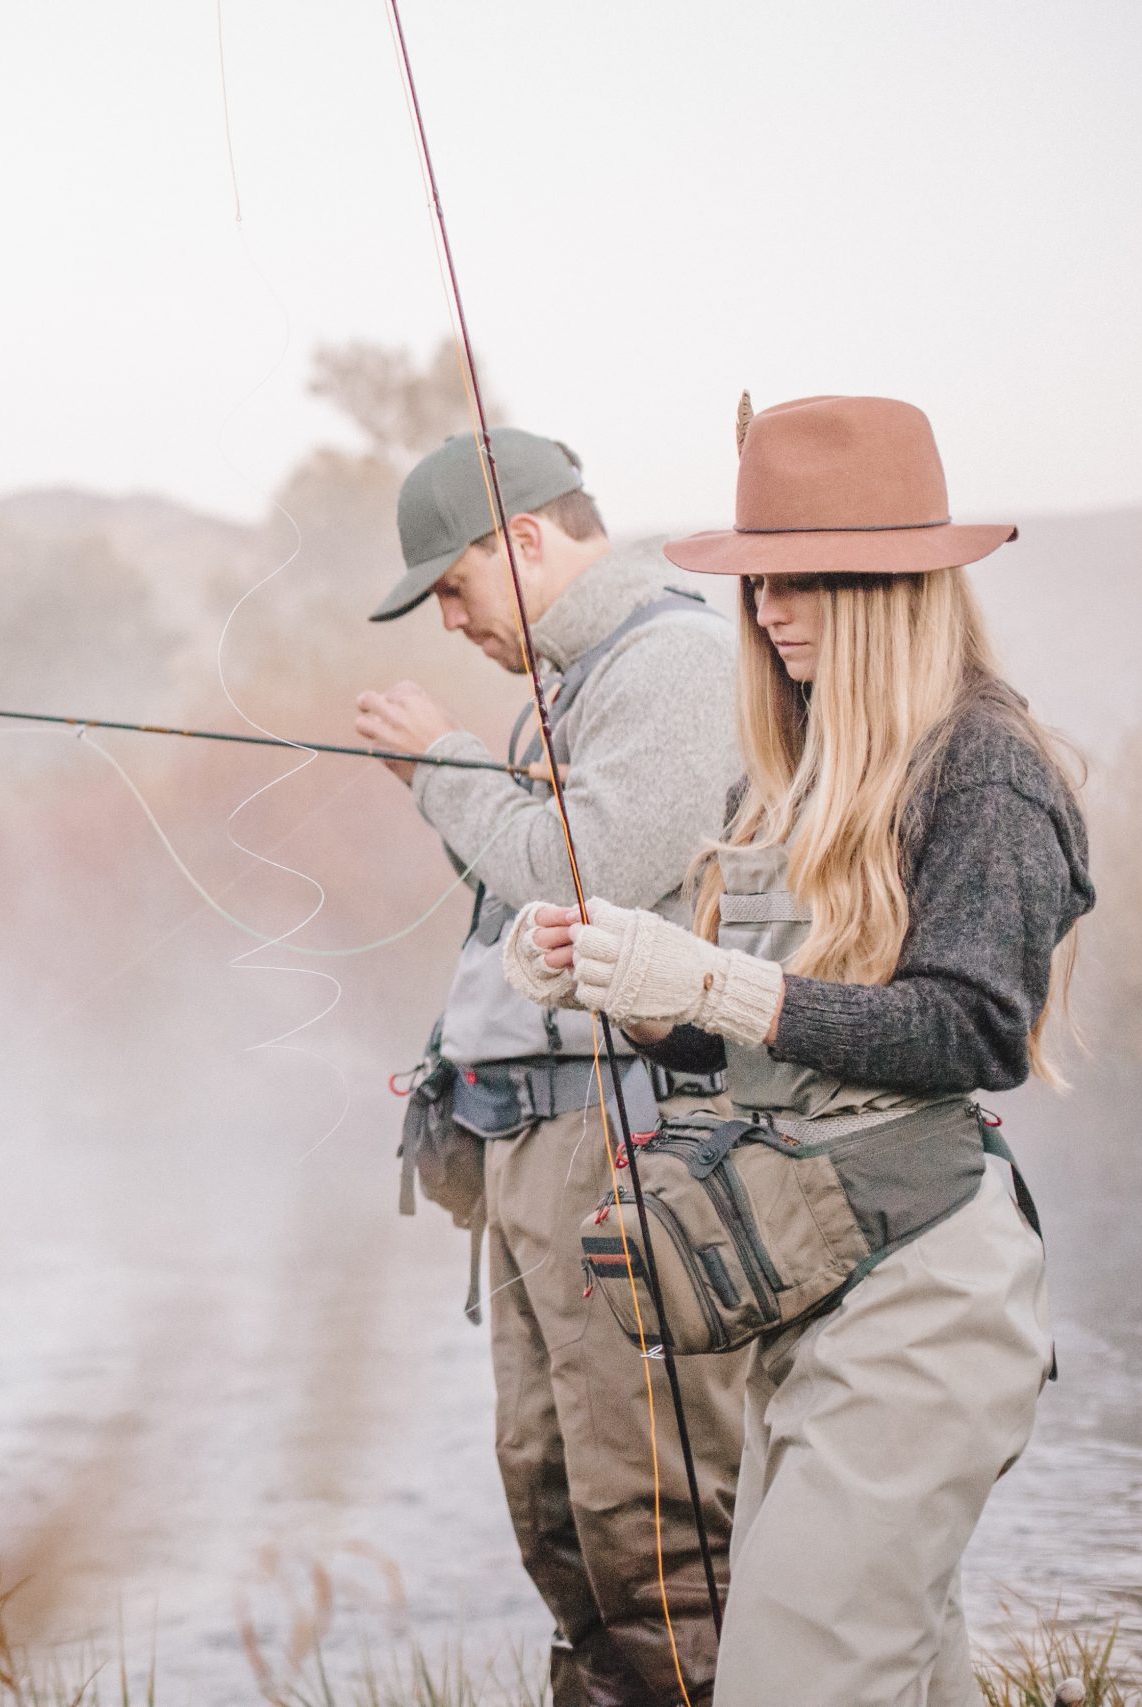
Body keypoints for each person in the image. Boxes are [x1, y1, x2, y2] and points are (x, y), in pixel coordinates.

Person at [510, 394, 1093, 1705]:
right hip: (810, 1288)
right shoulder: (797, 764)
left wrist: (717, 978)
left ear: (891, 586)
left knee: (792, 1678)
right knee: (899, 1673)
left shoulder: (985, 765)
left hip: (925, 1301)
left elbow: (970, 1027)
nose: (766, 609)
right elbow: (763, 1048)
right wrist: (628, 990)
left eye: (799, 580)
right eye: (757, 580)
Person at [354, 428, 746, 1706]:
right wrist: (477, 786)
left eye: (453, 585)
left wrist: (444, 768)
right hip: (535, 1146)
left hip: (626, 1141)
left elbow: (585, 879)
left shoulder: (676, 663)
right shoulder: (566, 688)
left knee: (653, 1524)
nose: (449, 620)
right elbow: (519, 894)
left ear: (524, 540)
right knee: (553, 1499)